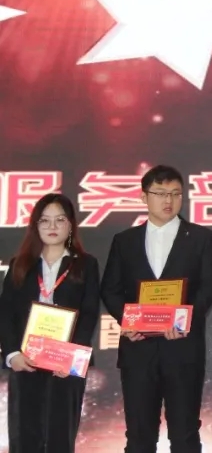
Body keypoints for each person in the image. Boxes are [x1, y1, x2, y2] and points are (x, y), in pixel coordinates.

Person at [101, 164, 212, 453]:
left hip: (182, 349)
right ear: (144, 197)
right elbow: (110, 289)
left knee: (185, 435)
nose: (168, 200)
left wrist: (183, 320)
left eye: (175, 194)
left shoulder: (202, 238)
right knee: (139, 437)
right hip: (138, 350)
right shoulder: (124, 241)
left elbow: (209, 287)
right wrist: (128, 321)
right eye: (160, 193)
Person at [0, 193, 101, 453]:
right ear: (35, 226)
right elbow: (6, 312)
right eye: (45, 220)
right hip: (26, 362)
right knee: (24, 436)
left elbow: (89, 313)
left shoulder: (85, 264)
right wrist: (12, 354)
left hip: (64, 366)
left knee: (60, 437)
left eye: (60, 220)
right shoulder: (20, 264)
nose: (52, 227)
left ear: (70, 225)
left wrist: (73, 358)